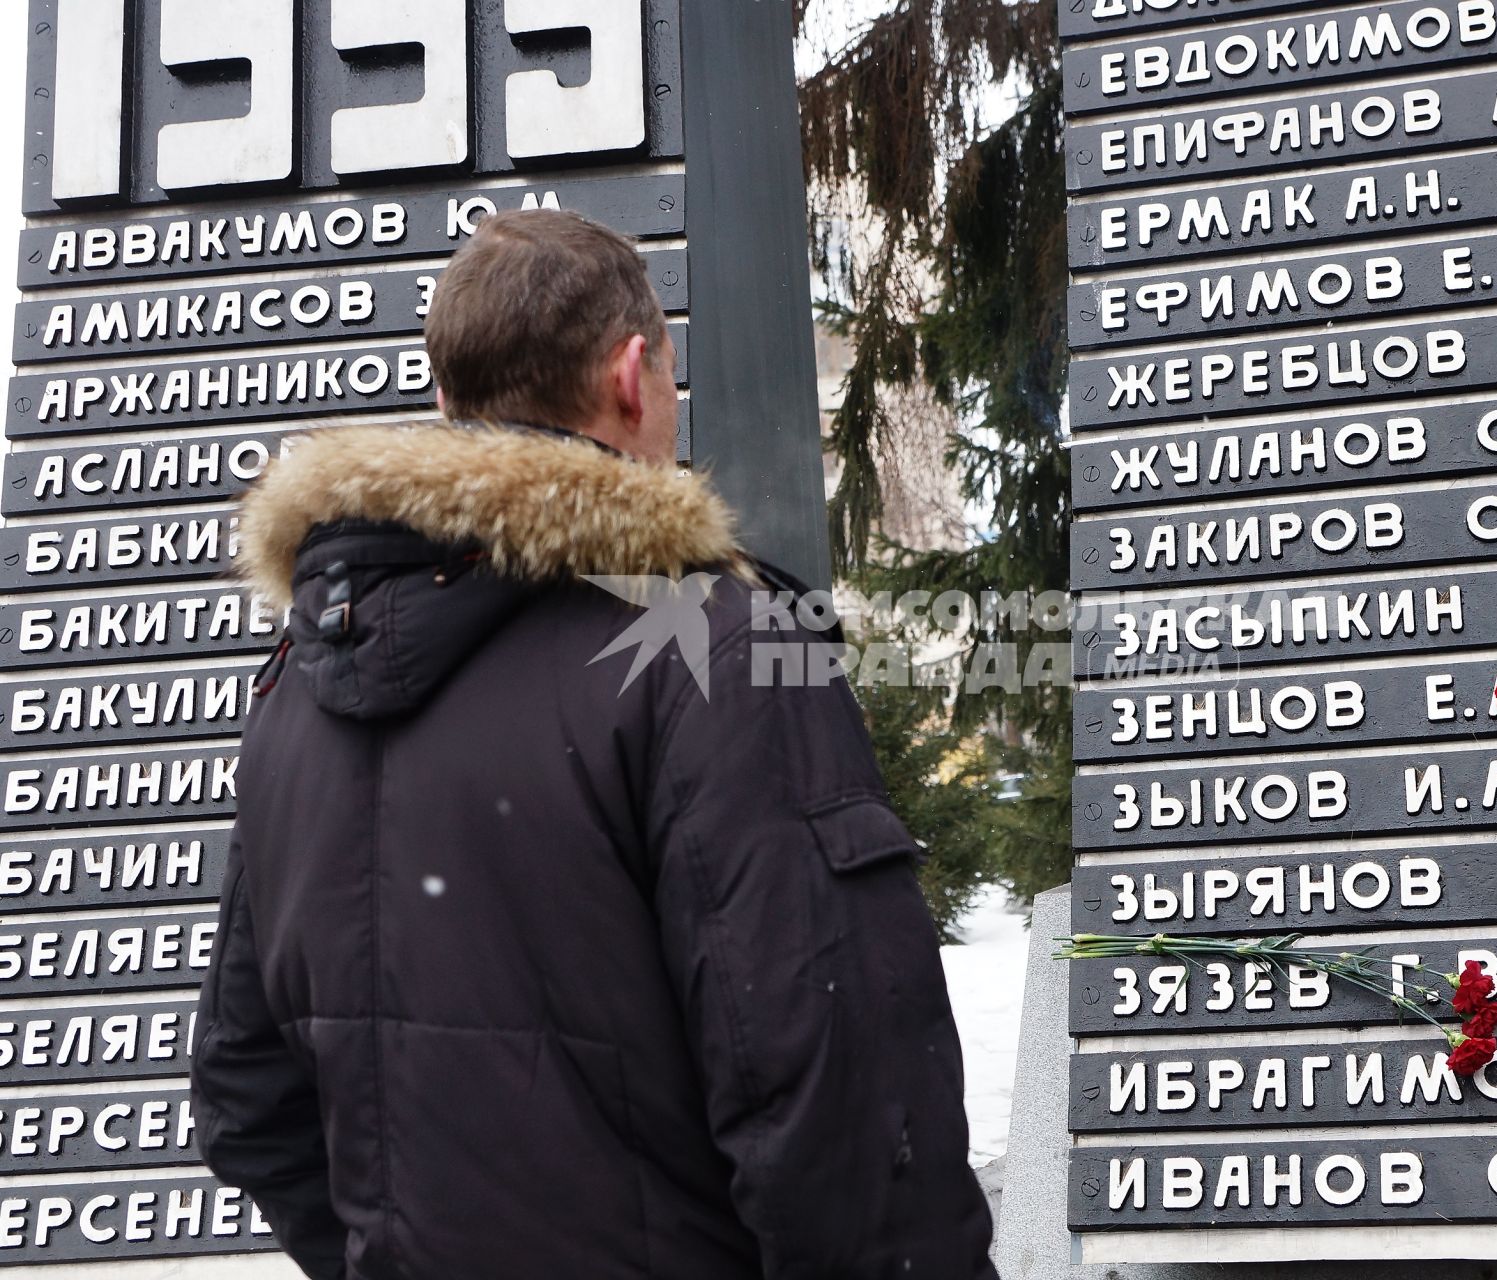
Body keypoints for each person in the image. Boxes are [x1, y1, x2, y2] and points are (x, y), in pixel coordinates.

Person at [190, 209, 998, 1279]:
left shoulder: (296, 685)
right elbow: (846, 1117)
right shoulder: (715, 645)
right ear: (633, 375)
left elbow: (248, 1096)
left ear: (449, 402)